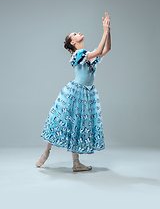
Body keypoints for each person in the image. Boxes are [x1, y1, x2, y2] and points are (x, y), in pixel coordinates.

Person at [36, 12, 111, 172]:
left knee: (78, 125)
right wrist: (104, 31)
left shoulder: (88, 55)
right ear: (72, 42)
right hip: (74, 92)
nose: (79, 32)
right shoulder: (77, 54)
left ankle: (76, 163)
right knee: (59, 120)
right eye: (75, 34)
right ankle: (46, 152)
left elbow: (106, 49)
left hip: (87, 93)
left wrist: (108, 30)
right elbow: (98, 52)